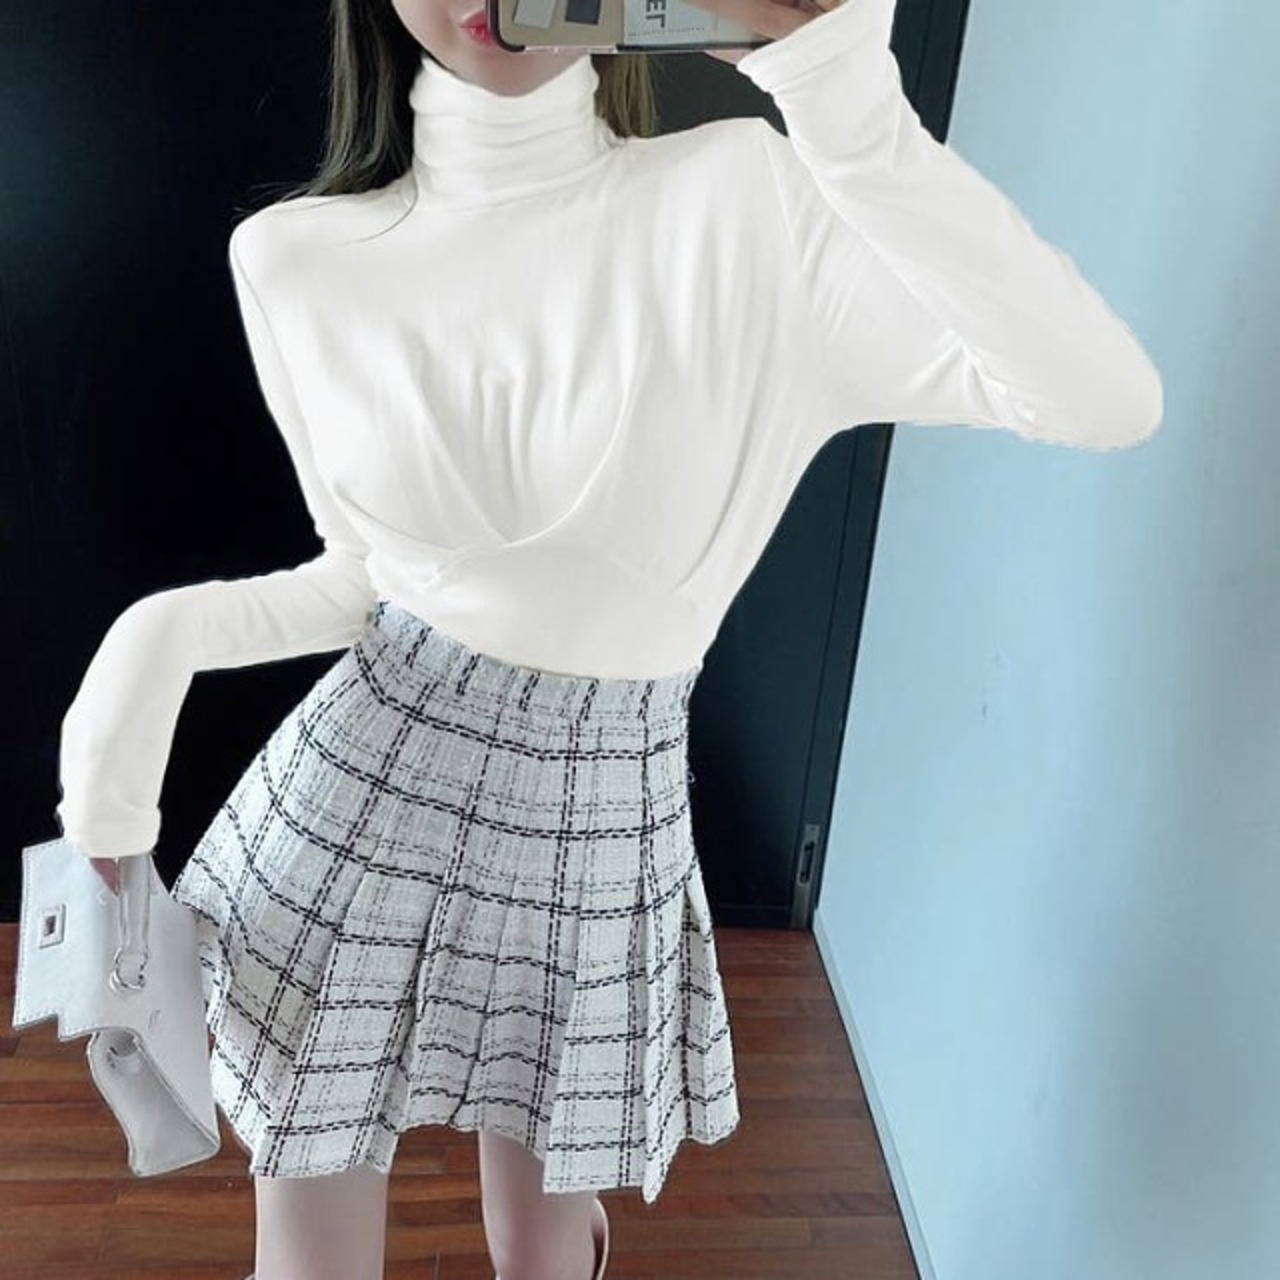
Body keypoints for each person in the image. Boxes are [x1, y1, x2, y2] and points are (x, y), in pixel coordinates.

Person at [56, 0, 1164, 1276]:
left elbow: (1099, 394)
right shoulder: (293, 258)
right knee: (309, 1257)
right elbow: (355, 577)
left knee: (542, 1243)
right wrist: (148, 652)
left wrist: (842, 94)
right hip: (355, 803)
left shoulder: (741, 202)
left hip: (602, 820)